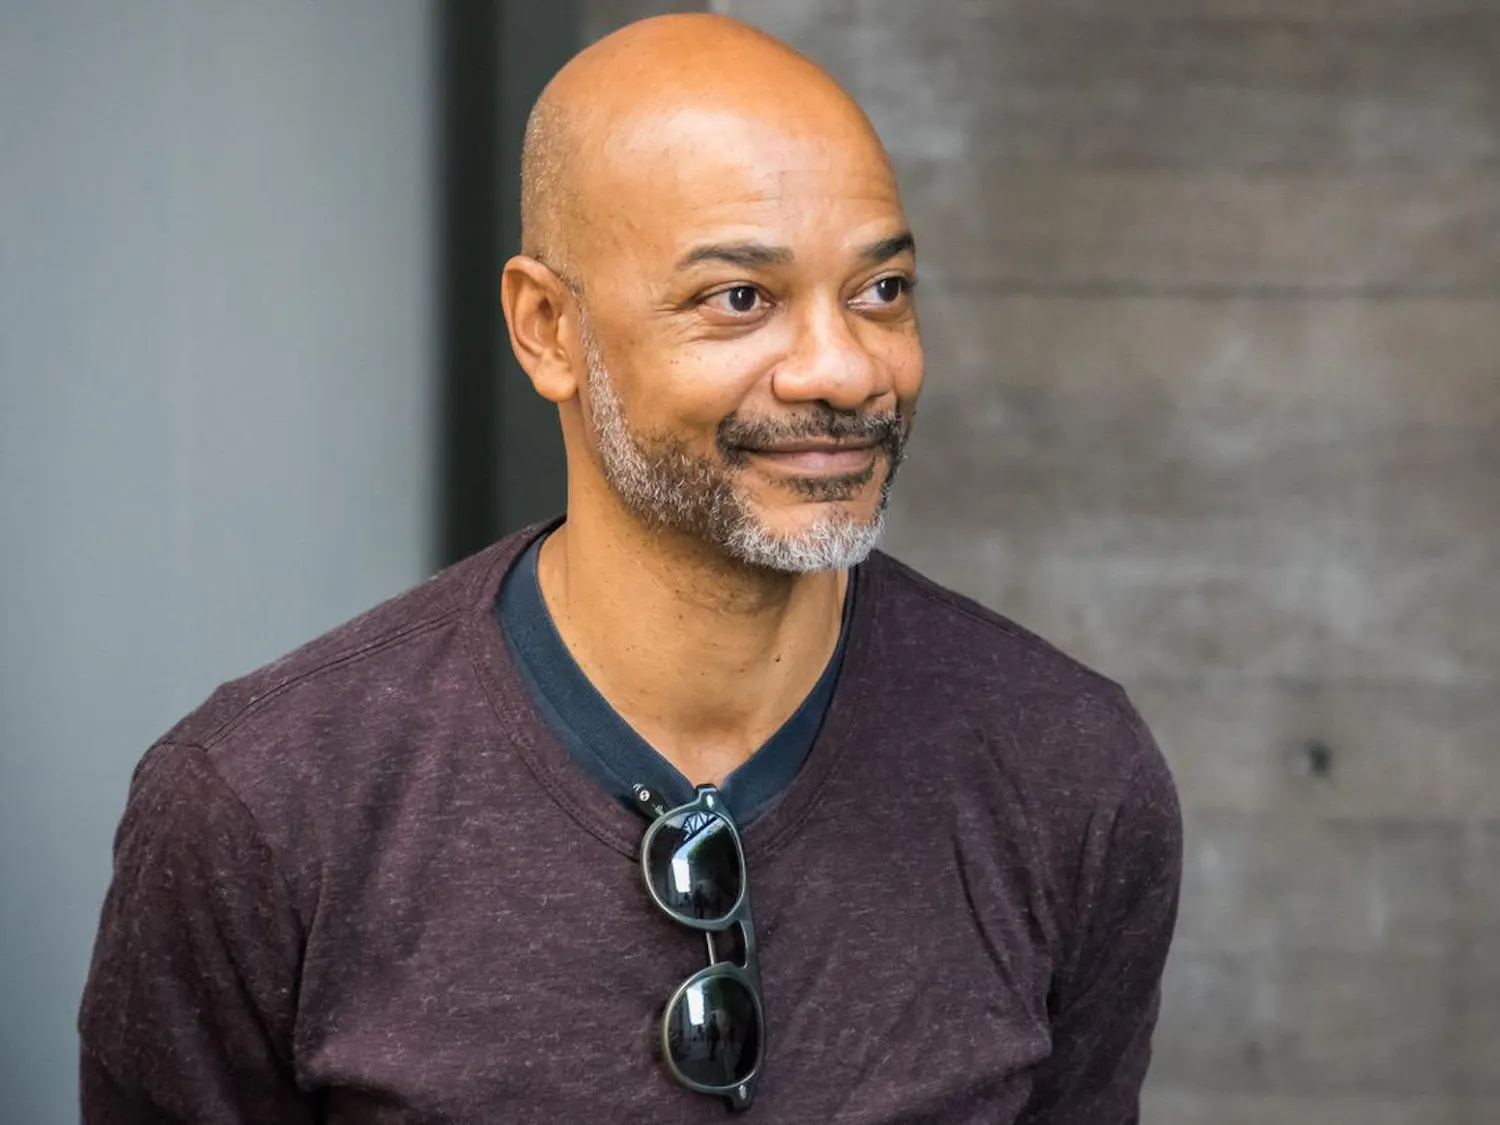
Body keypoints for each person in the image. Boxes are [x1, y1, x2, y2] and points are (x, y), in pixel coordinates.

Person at [79, 13, 1181, 1124]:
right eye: (740, 298)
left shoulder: (1067, 773)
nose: (843, 370)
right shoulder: (260, 807)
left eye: (880, 290)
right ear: (549, 328)